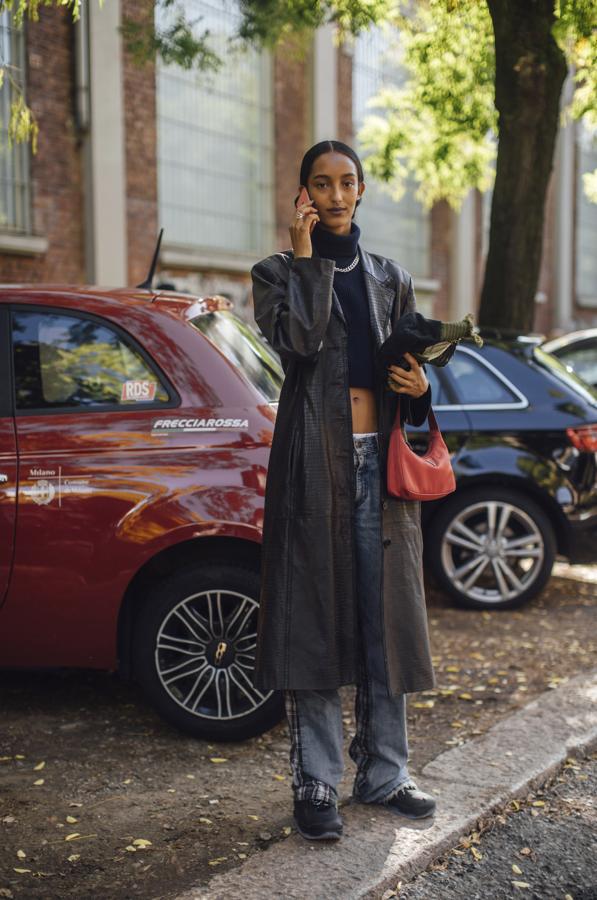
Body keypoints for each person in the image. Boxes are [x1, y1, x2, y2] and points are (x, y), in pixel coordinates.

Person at [250, 139, 437, 842]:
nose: (334, 195)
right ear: (302, 194)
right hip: (312, 466)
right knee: (315, 621)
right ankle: (316, 783)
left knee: (386, 617)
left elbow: (409, 371)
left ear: (361, 191)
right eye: (320, 184)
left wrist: (419, 390)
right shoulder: (274, 272)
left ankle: (385, 773)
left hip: (379, 468)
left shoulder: (390, 277)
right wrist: (305, 259)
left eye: (345, 182)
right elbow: (297, 343)